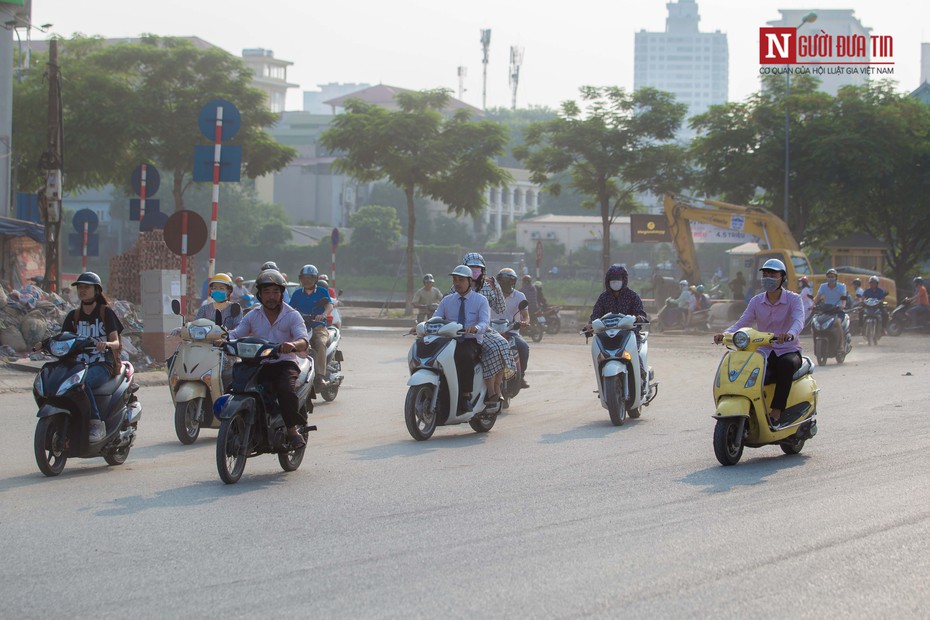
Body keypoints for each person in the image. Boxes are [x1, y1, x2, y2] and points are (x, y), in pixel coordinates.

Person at [225, 269, 310, 448]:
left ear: (281, 294)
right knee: (233, 386)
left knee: (286, 389)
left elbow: (303, 339)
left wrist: (293, 345)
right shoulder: (252, 315)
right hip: (257, 363)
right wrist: (221, 338)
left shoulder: (292, 315)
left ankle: (292, 430)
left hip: (284, 363)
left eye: (275, 292)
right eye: (266, 292)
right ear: (259, 295)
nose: (271, 296)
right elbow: (236, 334)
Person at [714, 259, 803, 427]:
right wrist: (726, 334)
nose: (768, 278)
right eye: (765, 274)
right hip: (764, 352)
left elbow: (799, 320)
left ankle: (777, 411)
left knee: (785, 365)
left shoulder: (794, 299)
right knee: (747, 371)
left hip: (788, 350)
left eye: (773, 274)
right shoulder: (756, 301)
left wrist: (790, 334)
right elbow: (743, 322)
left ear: (782, 277)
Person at [42, 272, 124, 442]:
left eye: (86, 287)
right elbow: (63, 337)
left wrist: (107, 345)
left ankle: (95, 422)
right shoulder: (74, 316)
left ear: (96, 290)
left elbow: (115, 342)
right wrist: (43, 344)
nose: (82, 290)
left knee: (80, 383)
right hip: (78, 365)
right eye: (80, 287)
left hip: (102, 364)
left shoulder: (106, 313)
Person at [431, 264, 490, 409]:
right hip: (448, 340)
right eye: (455, 280)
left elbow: (484, 322)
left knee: (463, 355)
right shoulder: (447, 300)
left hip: (470, 341)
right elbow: (436, 318)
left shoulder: (480, 300)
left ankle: (465, 396)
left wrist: (476, 328)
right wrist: (422, 326)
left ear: (470, 281)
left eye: (461, 280)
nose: (457, 283)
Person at [460, 252, 514, 405]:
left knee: (503, 345)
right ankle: (491, 390)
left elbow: (501, 307)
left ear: (483, 270)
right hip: (463, 328)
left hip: (484, 327)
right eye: (471, 268)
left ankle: (497, 388)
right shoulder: (458, 285)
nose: (475, 271)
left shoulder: (490, 284)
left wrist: (496, 288)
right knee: (487, 350)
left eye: (478, 268)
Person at [287, 264, 333, 391]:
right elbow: (290, 309)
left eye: (310, 278)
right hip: (301, 327)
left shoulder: (322, 292)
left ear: (315, 279)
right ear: (300, 279)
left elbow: (329, 306)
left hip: (318, 327)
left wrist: (323, 315)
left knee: (320, 343)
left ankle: (320, 377)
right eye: (304, 278)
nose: (306, 281)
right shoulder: (297, 294)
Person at [584, 264, 648, 341]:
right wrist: (590, 325)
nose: (615, 281)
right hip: (606, 336)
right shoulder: (603, 297)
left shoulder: (632, 296)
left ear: (624, 280)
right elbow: (596, 315)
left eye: (618, 279)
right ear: (607, 280)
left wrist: (639, 318)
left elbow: (641, 314)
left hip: (628, 336)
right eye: (612, 279)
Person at [494, 268, 531, 389]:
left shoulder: (520, 296)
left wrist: (524, 322)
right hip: (491, 333)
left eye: (508, 280)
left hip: (511, 332)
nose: (504, 283)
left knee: (523, 347)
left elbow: (525, 315)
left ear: (513, 281)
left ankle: (521, 377)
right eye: (502, 280)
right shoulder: (490, 295)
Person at [814, 268, 848, 350]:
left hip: (838, 311)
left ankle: (841, 345)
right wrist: (812, 305)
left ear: (836, 277)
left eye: (832, 276)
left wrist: (843, 305)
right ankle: (815, 345)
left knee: (838, 323)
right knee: (815, 322)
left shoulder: (842, 286)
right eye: (829, 276)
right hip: (826, 311)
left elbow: (844, 299)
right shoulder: (823, 286)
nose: (830, 278)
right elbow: (817, 298)